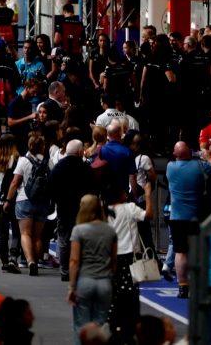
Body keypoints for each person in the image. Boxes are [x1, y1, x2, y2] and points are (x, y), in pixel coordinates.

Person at [166, 141, 211, 298]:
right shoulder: (200, 166)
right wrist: (208, 157)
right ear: (189, 153)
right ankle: (200, 284)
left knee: (180, 252)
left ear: (176, 154)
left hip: (177, 217)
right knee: (200, 251)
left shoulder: (170, 167)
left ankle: (183, 286)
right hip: (196, 217)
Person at [107, 180, 154, 342]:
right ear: (120, 194)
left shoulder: (105, 211)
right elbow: (148, 215)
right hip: (130, 256)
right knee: (131, 293)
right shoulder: (129, 208)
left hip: (112, 256)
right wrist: (147, 195)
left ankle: (114, 325)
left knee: (114, 291)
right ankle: (130, 326)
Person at [68, 194, 118, 344]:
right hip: (105, 282)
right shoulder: (110, 230)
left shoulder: (79, 230)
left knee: (80, 326)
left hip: (85, 280)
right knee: (101, 326)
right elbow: (114, 259)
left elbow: (74, 260)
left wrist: (71, 287)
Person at [49, 139, 98, 281]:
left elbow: (50, 188)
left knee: (64, 240)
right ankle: (80, 270)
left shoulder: (58, 167)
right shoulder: (85, 168)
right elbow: (94, 189)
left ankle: (65, 271)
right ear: (79, 152)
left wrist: (58, 201)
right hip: (83, 210)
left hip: (64, 208)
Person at [3, 132, 50, 276]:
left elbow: (15, 182)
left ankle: (30, 262)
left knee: (25, 233)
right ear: (42, 146)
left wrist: (8, 200)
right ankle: (36, 259)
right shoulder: (47, 161)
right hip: (42, 202)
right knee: (37, 236)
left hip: (25, 200)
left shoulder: (23, 160)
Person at [0, 133, 23, 273]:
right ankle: (13, 257)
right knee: (17, 231)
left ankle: (4, 260)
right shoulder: (18, 160)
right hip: (14, 199)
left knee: (2, 232)